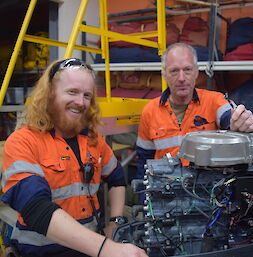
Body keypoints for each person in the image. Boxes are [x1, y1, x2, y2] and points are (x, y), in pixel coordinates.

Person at [1, 58, 148, 257]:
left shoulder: (94, 141)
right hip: (42, 252)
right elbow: (35, 207)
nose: (80, 102)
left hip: (90, 250)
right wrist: (106, 248)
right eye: (72, 92)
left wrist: (116, 222)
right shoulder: (22, 142)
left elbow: (116, 178)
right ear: (50, 93)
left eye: (87, 95)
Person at [136, 43, 253, 181]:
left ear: (196, 72)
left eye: (187, 69)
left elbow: (230, 118)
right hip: (164, 190)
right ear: (164, 74)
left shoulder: (214, 101)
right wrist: (144, 196)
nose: (182, 78)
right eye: (174, 71)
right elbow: (144, 160)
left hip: (205, 189)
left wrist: (240, 123)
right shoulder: (150, 111)